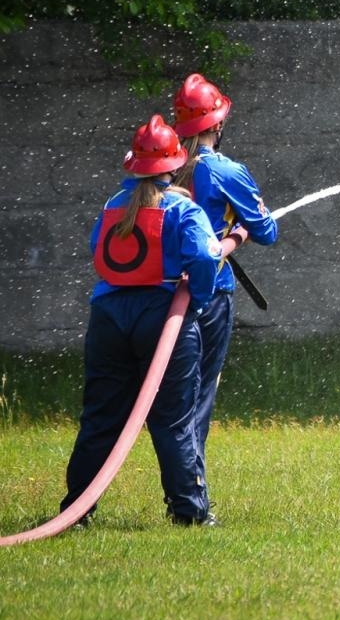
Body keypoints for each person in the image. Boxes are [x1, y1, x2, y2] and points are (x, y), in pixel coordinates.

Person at [62, 115, 223, 527]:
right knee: (173, 419)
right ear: (175, 163)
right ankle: (189, 511)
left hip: (108, 317)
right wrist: (199, 299)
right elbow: (205, 257)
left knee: (101, 418)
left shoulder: (113, 205)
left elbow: (95, 249)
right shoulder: (183, 208)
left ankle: (78, 511)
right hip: (163, 317)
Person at [171, 72, 278, 490]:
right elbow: (267, 230)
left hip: (159, 293)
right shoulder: (225, 171)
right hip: (210, 294)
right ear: (216, 124)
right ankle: (190, 497)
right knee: (197, 399)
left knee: (169, 398)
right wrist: (242, 228)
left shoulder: (165, 169)